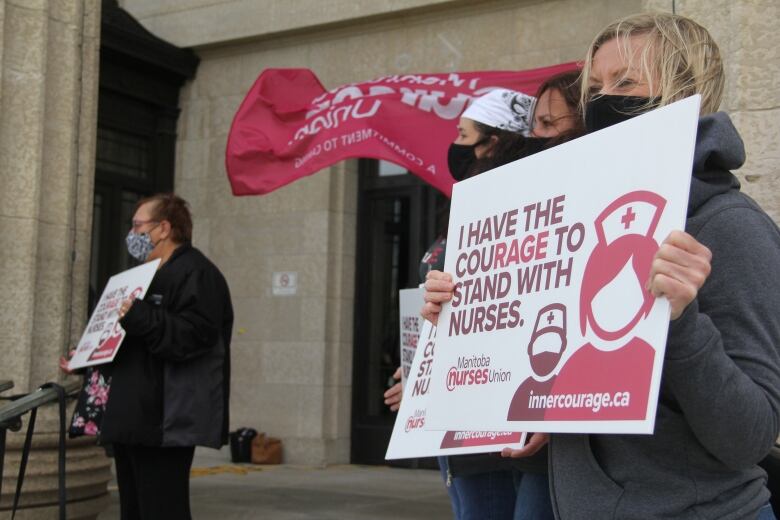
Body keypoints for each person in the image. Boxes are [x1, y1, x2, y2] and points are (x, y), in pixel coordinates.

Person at [422, 12, 780, 520]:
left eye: (625, 81)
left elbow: (750, 435)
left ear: (685, 90)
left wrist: (682, 320)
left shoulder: (730, 227)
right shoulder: (586, 219)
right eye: (595, 85)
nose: (600, 99)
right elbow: (583, 373)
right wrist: (466, 316)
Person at [100, 193, 233, 520]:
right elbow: (130, 340)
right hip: (131, 416)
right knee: (133, 510)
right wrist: (89, 355)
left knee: (162, 509)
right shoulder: (140, 275)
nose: (132, 234)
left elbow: (192, 336)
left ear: (164, 228)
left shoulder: (197, 273)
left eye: (137, 225)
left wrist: (140, 316)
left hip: (163, 419)